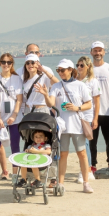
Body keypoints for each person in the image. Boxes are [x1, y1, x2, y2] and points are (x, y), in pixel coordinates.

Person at [36, 59, 94, 193]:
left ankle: (86, 183)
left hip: (78, 125)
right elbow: (51, 104)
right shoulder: (56, 86)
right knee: (63, 154)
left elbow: (89, 104)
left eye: (62, 70)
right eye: (58, 70)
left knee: (82, 154)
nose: (60, 72)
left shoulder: (80, 85)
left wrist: (76, 107)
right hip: (62, 126)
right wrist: (45, 94)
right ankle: (60, 183)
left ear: (70, 70)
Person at [0, 52, 24, 187]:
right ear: (0, 63)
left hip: (15, 119)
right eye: (3, 62)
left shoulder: (17, 79)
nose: (6, 64)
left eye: (9, 62)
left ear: (12, 64)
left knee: (15, 147)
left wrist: (14, 115)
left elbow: (20, 100)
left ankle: (14, 175)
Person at [90, 41, 109, 171]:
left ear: (104, 52)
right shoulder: (87, 69)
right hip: (91, 112)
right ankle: (92, 164)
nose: (98, 53)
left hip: (108, 111)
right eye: (95, 50)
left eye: (100, 50)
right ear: (91, 52)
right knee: (92, 141)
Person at [75, 56, 100, 184]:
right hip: (75, 116)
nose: (79, 68)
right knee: (81, 144)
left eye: (82, 65)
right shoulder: (74, 80)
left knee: (84, 144)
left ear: (88, 67)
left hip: (87, 116)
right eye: (77, 65)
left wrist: (95, 118)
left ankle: (85, 171)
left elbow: (97, 101)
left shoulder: (92, 81)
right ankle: (87, 169)